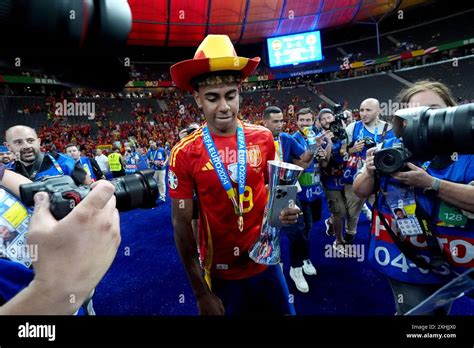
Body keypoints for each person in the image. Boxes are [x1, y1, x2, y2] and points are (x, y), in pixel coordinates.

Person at [169, 34, 300, 315]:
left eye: (230, 95)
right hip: (220, 271)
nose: (224, 107)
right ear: (197, 99)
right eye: (213, 98)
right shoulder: (184, 153)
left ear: (239, 92)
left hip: (266, 262)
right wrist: (200, 292)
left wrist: (287, 210)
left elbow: (275, 193)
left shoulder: (263, 137)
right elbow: (181, 227)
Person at [353, 80, 474, 315]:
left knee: (439, 311)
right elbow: (360, 191)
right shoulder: (390, 146)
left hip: (453, 257)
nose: (425, 119)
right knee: (414, 312)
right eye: (415, 113)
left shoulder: (469, 150)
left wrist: (431, 184)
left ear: (451, 109)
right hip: (402, 256)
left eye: (433, 109)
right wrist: (369, 170)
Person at [0, 166, 120, 314]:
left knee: (84, 302)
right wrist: (53, 294)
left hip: (55, 264)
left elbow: (36, 193)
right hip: (28, 297)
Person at [262, 106, 316, 293]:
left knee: (297, 232)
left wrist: (314, 146)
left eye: (282, 121)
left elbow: (303, 157)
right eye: (275, 121)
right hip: (263, 193)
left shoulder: (286, 138)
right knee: (267, 235)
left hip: (286, 191)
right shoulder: (256, 139)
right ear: (265, 122)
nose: (280, 125)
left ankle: (295, 268)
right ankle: (270, 269)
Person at [340, 99, 396, 243]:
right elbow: (341, 151)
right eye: (361, 110)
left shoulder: (391, 129)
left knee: (385, 207)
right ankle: (350, 232)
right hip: (357, 175)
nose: (363, 114)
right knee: (352, 210)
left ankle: (387, 235)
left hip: (383, 176)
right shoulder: (353, 128)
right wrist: (353, 149)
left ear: (379, 111)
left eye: (368, 110)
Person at [5, 126, 90, 185]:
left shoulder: (63, 161)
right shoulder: (7, 172)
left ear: (38, 142)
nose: (27, 146)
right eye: (18, 142)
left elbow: (91, 188)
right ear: (9, 147)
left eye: (30, 141)